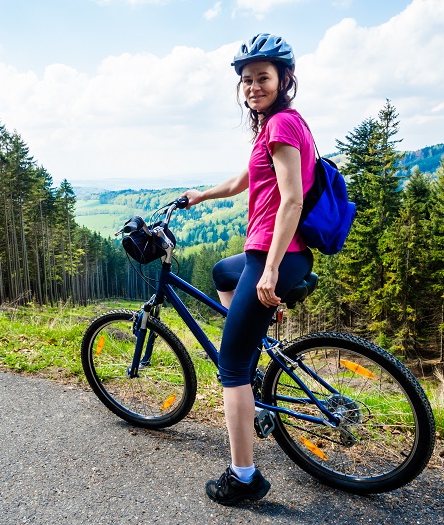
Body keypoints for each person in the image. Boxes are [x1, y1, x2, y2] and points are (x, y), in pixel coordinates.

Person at [181, 33, 316, 506]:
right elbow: (244, 180)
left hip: (275, 253)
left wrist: (270, 270)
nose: (253, 86)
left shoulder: (280, 127)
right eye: (246, 80)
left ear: (284, 79)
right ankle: (254, 348)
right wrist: (201, 195)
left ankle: (244, 476)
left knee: (231, 367)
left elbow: (293, 199)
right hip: (273, 254)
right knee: (221, 272)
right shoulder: (275, 126)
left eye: (263, 77)